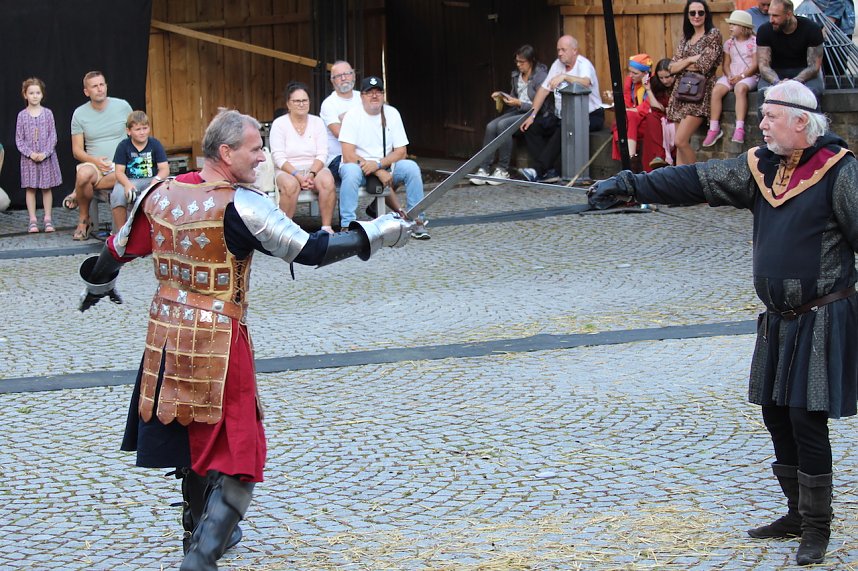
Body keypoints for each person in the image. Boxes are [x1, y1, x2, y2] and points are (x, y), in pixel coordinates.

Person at [78, 109, 414, 571]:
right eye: (255, 149)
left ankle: (198, 529)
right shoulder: (241, 204)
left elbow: (117, 249)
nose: (262, 158)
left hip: (166, 335)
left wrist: (98, 285)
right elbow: (310, 250)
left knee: (193, 436)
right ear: (226, 152)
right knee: (241, 451)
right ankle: (200, 557)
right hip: (219, 337)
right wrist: (379, 233)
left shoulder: (159, 194)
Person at [588, 80, 857, 567]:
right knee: (775, 413)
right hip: (779, 319)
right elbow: (695, 180)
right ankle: (796, 514)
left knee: (805, 418)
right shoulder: (761, 169)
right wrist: (630, 185)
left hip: (822, 316)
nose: (762, 123)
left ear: (801, 121)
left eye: (771, 115)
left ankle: (817, 528)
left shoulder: (840, 173)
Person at [338, 76, 430, 240]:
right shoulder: (352, 115)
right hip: (359, 166)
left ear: (383, 95)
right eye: (369, 92)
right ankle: (347, 225)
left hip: (385, 165)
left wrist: (379, 165)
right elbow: (348, 154)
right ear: (362, 96)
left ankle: (416, 220)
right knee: (350, 172)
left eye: (378, 92)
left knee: (411, 168)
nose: (374, 95)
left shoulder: (392, 113)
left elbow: (401, 151)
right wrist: (376, 169)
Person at [519, 35, 604, 183]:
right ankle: (550, 171)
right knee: (532, 127)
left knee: (565, 128)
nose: (560, 53)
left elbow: (585, 82)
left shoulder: (584, 64)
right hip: (562, 116)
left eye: (563, 50)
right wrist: (531, 115)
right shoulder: (557, 65)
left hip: (589, 115)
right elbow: (544, 90)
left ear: (574, 51)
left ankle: (537, 170)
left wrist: (565, 77)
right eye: (558, 50)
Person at [65, 71, 133, 240]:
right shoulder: (79, 114)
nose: (99, 89)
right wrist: (95, 161)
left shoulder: (123, 106)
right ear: (86, 92)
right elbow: (77, 150)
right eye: (94, 86)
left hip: (121, 165)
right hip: (96, 165)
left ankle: (77, 192)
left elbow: (137, 134)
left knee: (88, 182)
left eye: (102, 84)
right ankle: (83, 219)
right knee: (83, 174)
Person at [470, 44, 549, 185]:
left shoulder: (540, 76)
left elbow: (539, 105)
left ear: (531, 61)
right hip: (517, 110)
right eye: (517, 61)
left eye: (522, 62)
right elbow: (514, 96)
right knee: (490, 126)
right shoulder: (516, 76)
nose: (519, 65)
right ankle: (484, 168)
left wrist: (519, 103)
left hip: (532, 113)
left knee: (503, 125)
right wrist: (503, 96)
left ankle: (502, 169)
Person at [269, 82, 336, 233]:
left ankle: (326, 227)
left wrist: (312, 173)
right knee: (290, 185)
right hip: (287, 169)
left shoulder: (317, 122)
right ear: (288, 104)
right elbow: (278, 157)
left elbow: (322, 153)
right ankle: (284, 230)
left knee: (327, 180)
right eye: (297, 101)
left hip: (314, 167)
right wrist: (298, 176)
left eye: (305, 100)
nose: (301, 104)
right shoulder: (279, 124)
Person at [667, 0, 723, 166]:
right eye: (692, 13)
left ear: (706, 14)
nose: (697, 16)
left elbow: (704, 65)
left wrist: (683, 64)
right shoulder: (686, 38)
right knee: (679, 146)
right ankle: (678, 183)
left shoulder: (713, 35)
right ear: (687, 15)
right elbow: (671, 67)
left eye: (700, 12)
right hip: (681, 92)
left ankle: (694, 179)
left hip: (699, 93)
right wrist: (690, 59)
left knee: (680, 140)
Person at [703, 10, 759, 146]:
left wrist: (741, 76)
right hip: (732, 75)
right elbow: (726, 63)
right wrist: (729, 75)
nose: (730, 27)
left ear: (744, 27)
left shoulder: (754, 42)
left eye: (734, 24)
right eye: (731, 24)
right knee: (716, 91)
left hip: (747, 76)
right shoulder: (729, 43)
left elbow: (755, 65)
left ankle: (739, 127)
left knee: (740, 89)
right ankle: (714, 128)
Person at [15, 77, 61, 233]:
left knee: (46, 188)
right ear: (25, 95)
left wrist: (45, 153)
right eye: (31, 93)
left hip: (46, 158)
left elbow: (52, 136)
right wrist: (30, 153)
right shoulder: (22, 116)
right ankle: (32, 220)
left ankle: (48, 218)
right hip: (29, 160)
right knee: (30, 189)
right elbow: (19, 139)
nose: (35, 96)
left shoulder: (48, 114)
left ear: (42, 95)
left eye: (37, 92)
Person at [757, 0, 824, 106]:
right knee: (763, 93)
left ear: (788, 14)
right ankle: (766, 123)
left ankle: (812, 122)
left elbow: (814, 67)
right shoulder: (764, 30)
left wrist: (793, 83)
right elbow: (763, 66)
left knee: (813, 93)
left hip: (805, 71)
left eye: (775, 16)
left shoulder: (811, 29)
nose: (771, 20)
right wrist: (778, 83)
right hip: (776, 72)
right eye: (770, 15)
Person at [111, 110, 169, 232]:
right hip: (129, 180)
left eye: (145, 128)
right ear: (129, 131)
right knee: (117, 194)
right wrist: (127, 185)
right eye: (138, 129)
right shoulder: (123, 146)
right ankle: (121, 233)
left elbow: (164, 169)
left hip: (151, 179)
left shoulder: (155, 144)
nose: (142, 132)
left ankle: (158, 230)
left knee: (163, 193)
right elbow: (119, 172)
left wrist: (156, 180)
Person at [609, 54, 668, 173]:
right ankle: (630, 160)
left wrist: (629, 110)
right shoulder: (629, 82)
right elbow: (626, 101)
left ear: (645, 73)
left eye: (635, 73)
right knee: (624, 120)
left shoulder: (652, 83)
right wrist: (615, 98)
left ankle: (630, 160)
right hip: (633, 120)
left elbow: (645, 108)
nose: (631, 76)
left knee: (627, 118)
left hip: (646, 120)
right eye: (630, 72)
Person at [319, 60, 362, 184]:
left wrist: (346, 118)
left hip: (366, 153)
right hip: (338, 158)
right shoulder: (329, 104)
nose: (344, 78)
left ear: (353, 75)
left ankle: (376, 204)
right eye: (338, 76)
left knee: (392, 169)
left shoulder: (363, 97)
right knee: (368, 171)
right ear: (332, 80)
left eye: (347, 74)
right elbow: (340, 133)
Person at [647, 59, 678, 169]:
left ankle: (663, 157)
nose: (664, 81)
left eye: (667, 77)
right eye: (661, 78)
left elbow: (670, 110)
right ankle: (658, 157)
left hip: (677, 117)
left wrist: (664, 110)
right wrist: (648, 90)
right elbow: (656, 107)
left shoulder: (680, 84)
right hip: (661, 116)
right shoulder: (655, 84)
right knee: (651, 118)